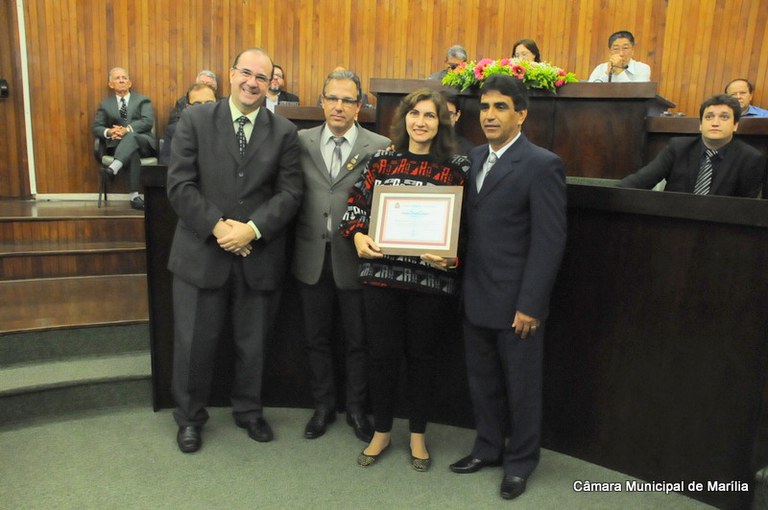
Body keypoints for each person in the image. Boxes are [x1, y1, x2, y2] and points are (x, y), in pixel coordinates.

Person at [166, 48, 303, 454]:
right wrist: (218, 227)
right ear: (230, 74)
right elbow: (180, 185)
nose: (252, 83)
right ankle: (189, 418)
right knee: (193, 344)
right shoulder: (195, 120)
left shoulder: (284, 132)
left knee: (254, 344)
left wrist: (252, 230)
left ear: (270, 83)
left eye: (261, 77)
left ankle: (249, 411)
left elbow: (290, 193)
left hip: (257, 256)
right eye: (246, 73)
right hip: (200, 254)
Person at [448, 75, 567, 501]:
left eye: (500, 107)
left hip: (517, 303)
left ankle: (520, 463)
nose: (490, 115)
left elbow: (549, 241)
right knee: (482, 382)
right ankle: (487, 448)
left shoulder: (542, 164)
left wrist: (531, 304)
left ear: (521, 114)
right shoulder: (475, 157)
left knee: (522, 389)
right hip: (475, 294)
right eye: (485, 107)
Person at [340, 88, 470, 472]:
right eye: (415, 114)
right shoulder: (381, 160)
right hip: (381, 279)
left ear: (441, 123)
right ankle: (381, 431)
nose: (421, 122)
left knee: (422, 360)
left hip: (430, 283)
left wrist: (453, 256)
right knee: (382, 357)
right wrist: (357, 236)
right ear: (404, 119)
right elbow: (354, 207)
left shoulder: (457, 168)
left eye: (430, 115)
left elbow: (468, 227)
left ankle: (417, 435)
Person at [292, 69, 390, 442]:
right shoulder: (300, 141)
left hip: (356, 258)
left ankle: (356, 410)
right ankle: (322, 408)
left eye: (348, 100)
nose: (339, 106)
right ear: (322, 101)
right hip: (310, 256)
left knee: (357, 341)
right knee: (315, 339)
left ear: (359, 106)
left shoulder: (379, 145)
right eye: (332, 98)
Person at [618, 94, 765, 197]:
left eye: (724, 117)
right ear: (701, 124)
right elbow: (640, 181)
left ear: (735, 125)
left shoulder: (751, 158)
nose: (715, 123)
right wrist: (611, 196)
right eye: (709, 117)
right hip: (673, 223)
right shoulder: (678, 147)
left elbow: (745, 209)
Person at [92, 66, 157, 210]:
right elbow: (97, 127)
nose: (121, 80)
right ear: (111, 84)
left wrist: (126, 130)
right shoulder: (105, 104)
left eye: (124, 78)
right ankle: (134, 198)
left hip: (143, 142)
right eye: (117, 78)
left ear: (129, 83)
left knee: (131, 136)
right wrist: (110, 132)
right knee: (131, 152)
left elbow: (147, 122)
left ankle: (113, 168)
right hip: (119, 146)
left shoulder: (143, 100)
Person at [159, 83, 216, 165]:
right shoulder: (175, 131)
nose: (204, 108)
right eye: (197, 104)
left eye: (209, 103)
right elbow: (166, 163)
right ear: (188, 107)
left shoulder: (227, 128)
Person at [442, 91, 476, 156]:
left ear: (457, 115)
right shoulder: (423, 143)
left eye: (449, 114)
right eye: (440, 113)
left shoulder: (469, 150)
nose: (444, 118)